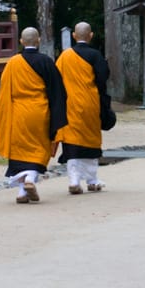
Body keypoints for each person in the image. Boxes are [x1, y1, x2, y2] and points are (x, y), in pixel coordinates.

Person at [0, 27, 67, 204]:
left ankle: (21, 191)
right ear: (39, 41)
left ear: (21, 41)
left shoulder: (13, 63)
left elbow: (4, 91)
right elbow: (58, 91)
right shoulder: (46, 61)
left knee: (19, 151)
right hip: (40, 112)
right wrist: (57, 114)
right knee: (39, 148)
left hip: (18, 112)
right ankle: (29, 180)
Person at [55, 21, 116, 194]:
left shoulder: (65, 56)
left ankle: (74, 180)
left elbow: (56, 78)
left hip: (69, 104)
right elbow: (102, 78)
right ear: (91, 36)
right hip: (90, 103)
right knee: (91, 140)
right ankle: (92, 180)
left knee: (71, 141)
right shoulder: (95, 55)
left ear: (74, 36)